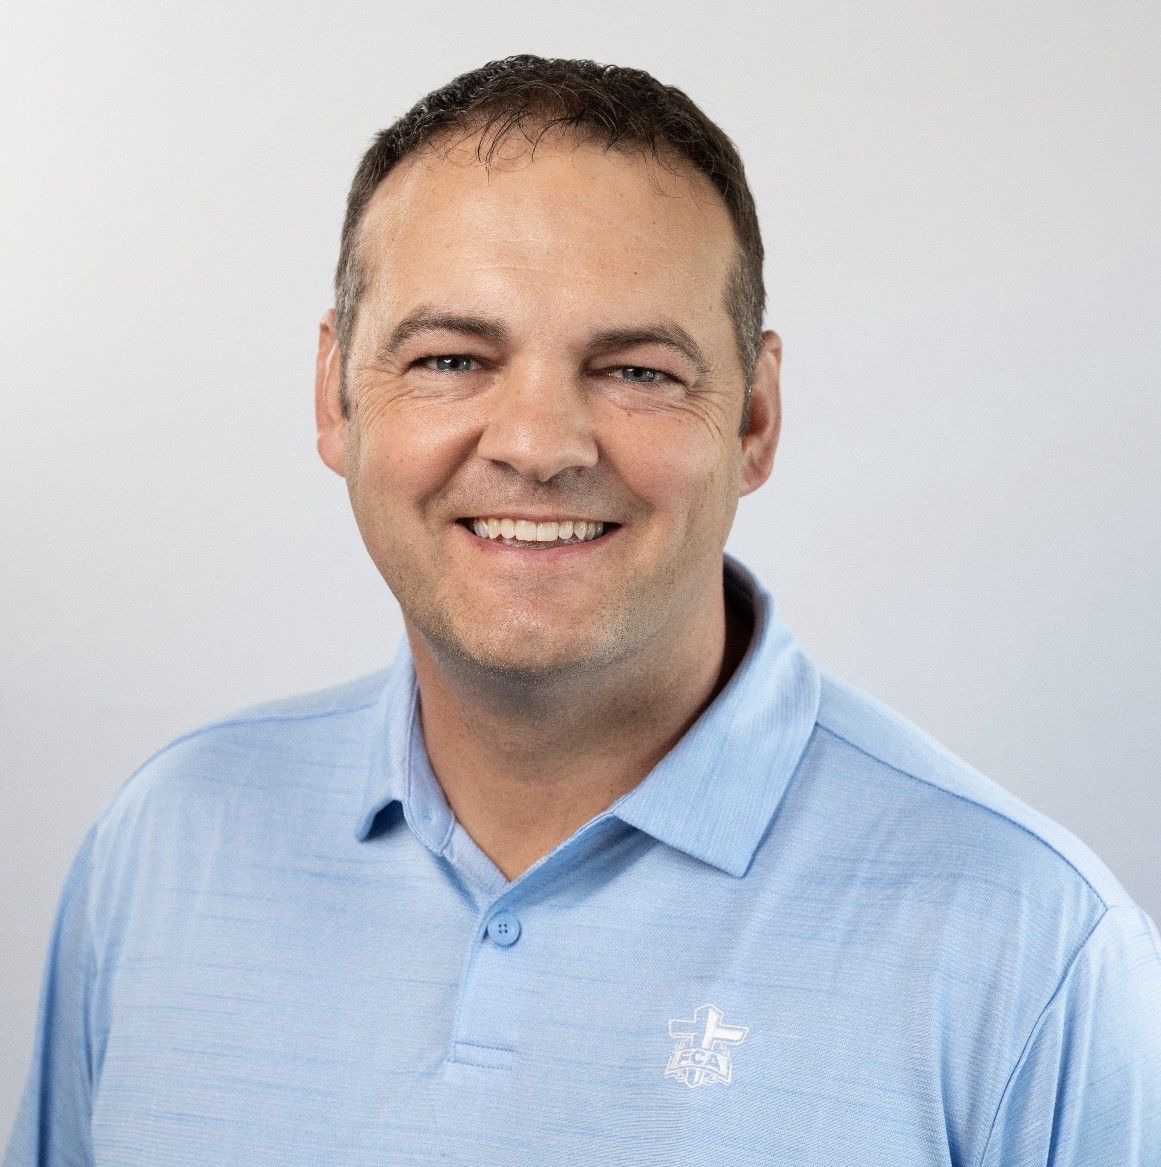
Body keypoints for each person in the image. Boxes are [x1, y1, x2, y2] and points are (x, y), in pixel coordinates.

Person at [5, 54, 1159, 1167]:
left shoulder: (1034, 948)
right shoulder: (166, 844)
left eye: (639, 371)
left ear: (755, 418)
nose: (539, 445)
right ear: (336, 395)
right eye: (452, 359)